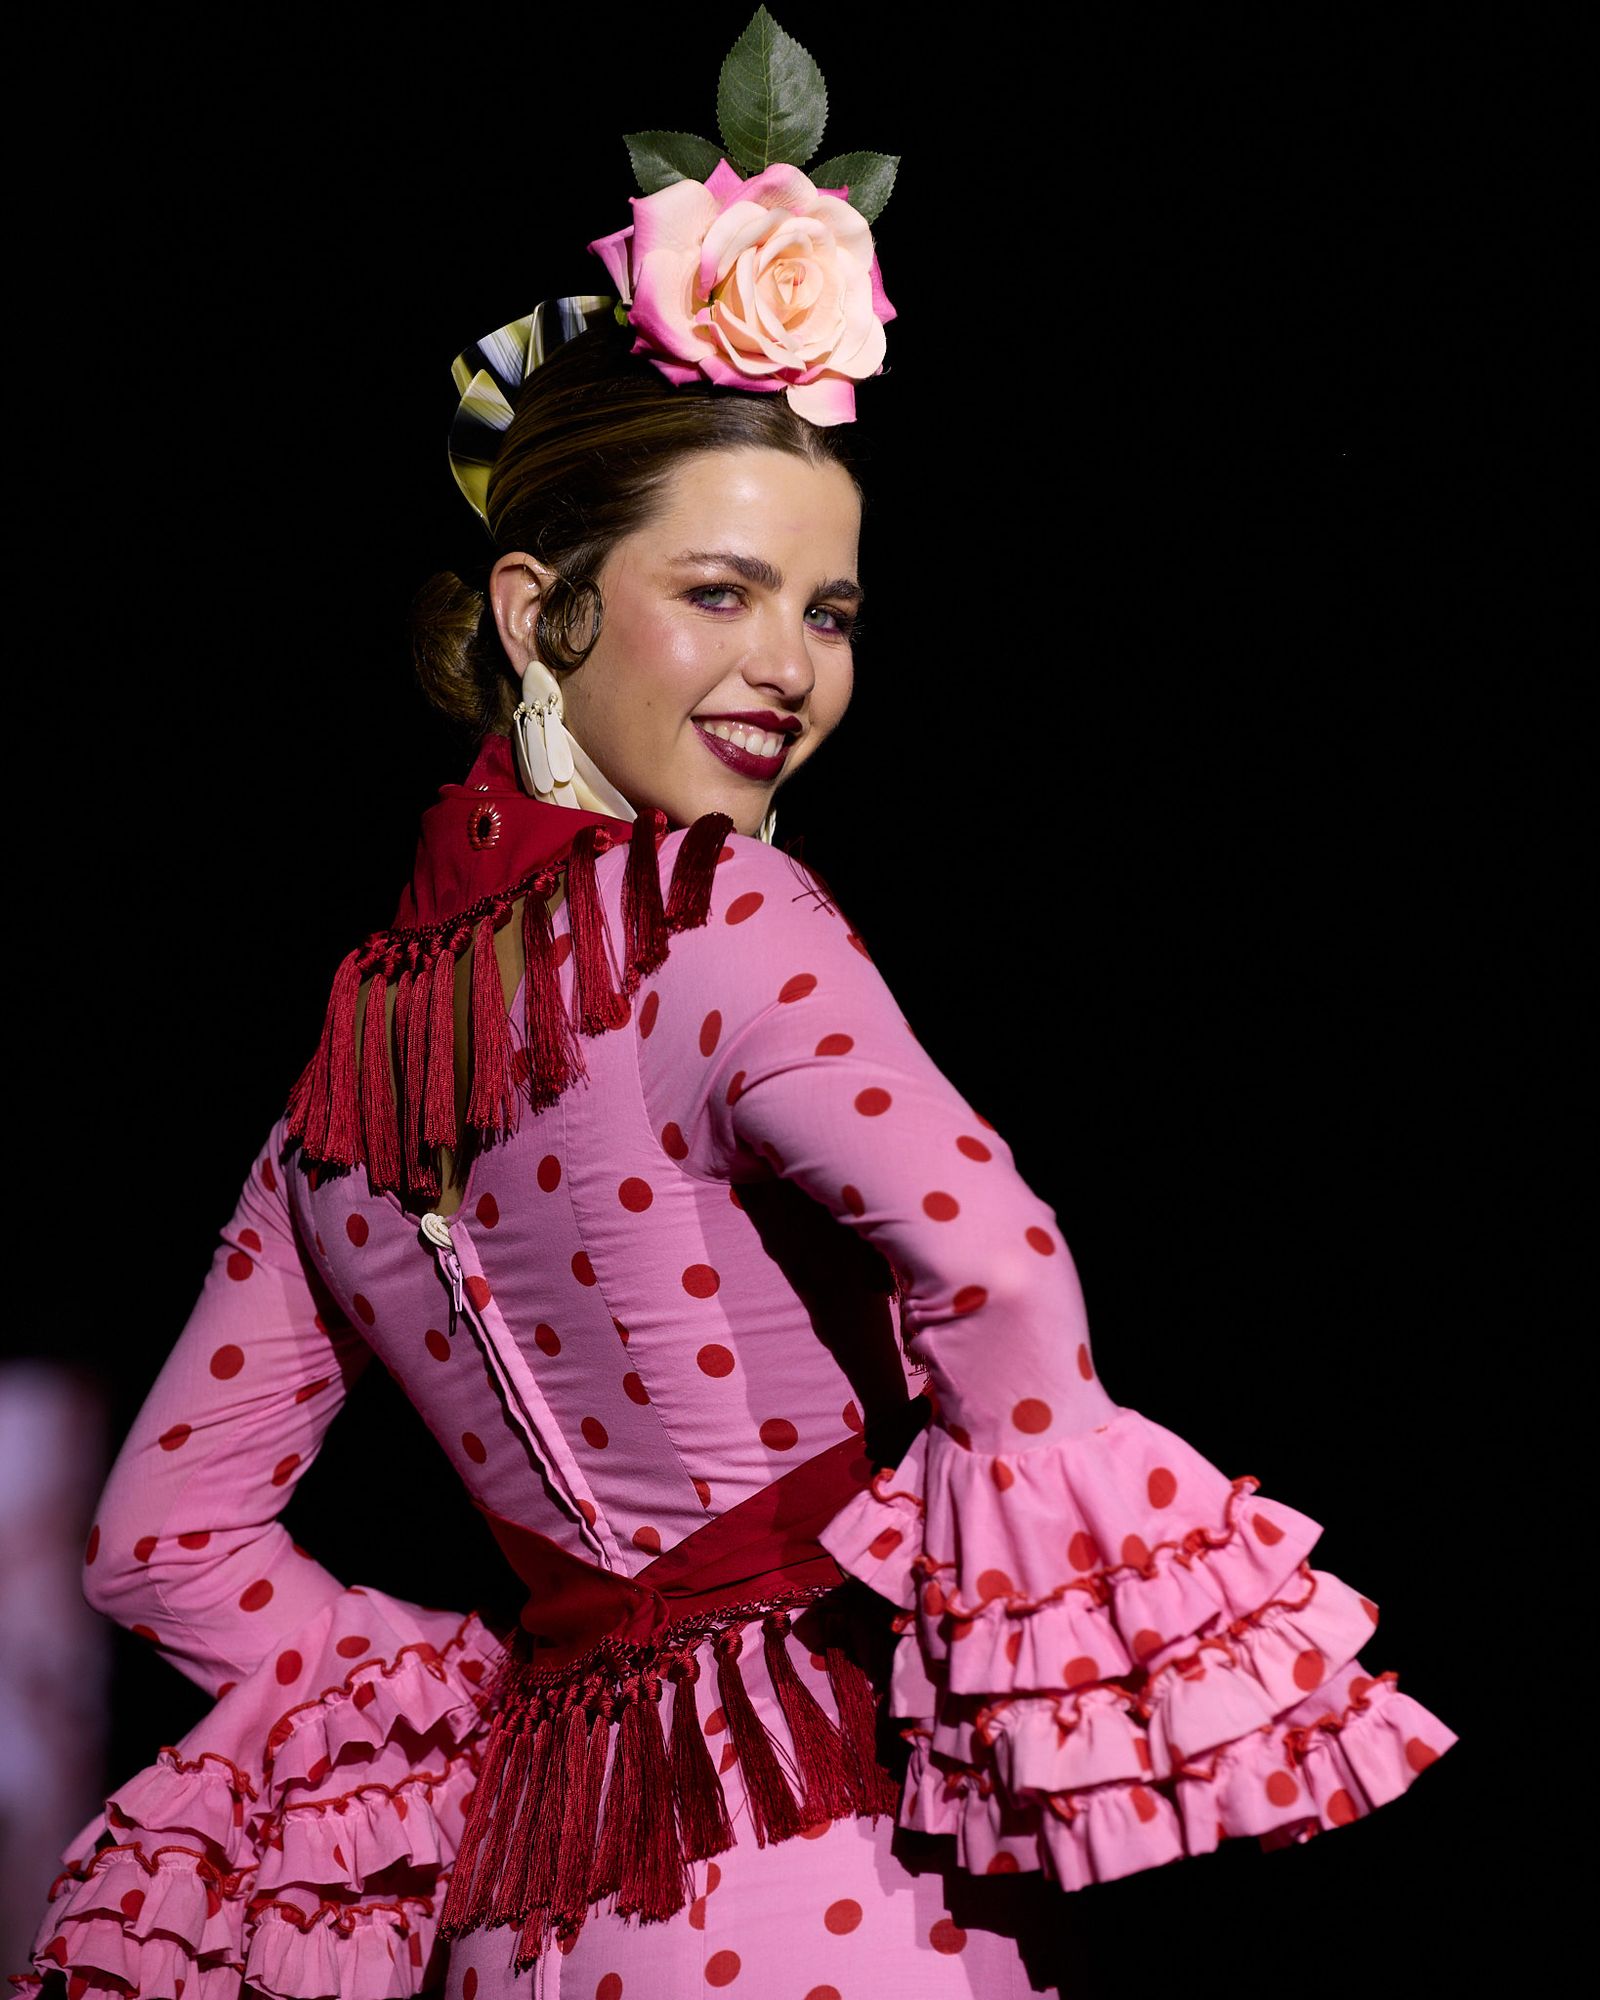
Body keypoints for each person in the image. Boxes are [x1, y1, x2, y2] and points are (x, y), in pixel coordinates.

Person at [13, 120, 1458, 2000]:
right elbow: (996, 1262)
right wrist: (992, 1631)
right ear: (539, 613)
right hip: (823, 1848)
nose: (791, 664)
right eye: (721, 591)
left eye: (829, 609)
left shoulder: (340, 1076)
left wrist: (458, 1697)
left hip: (529, 1903)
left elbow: (157, 1542)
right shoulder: (717, 918)